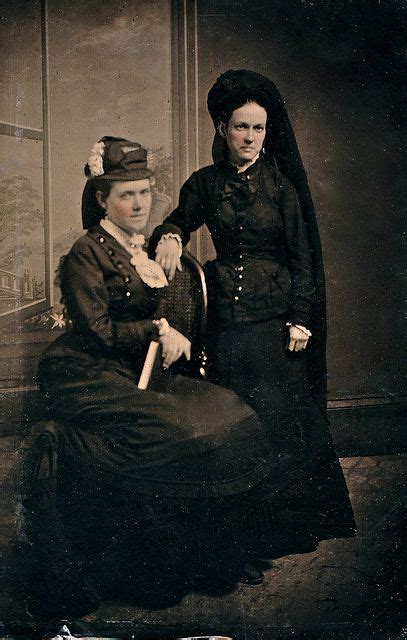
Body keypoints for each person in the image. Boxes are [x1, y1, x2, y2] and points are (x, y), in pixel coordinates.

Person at [12, 136, 294, 631]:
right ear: (103, 200)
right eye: (126, 194)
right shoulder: (85, 253)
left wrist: (160, 333)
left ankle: (210, 561)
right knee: (184, 434)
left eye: (144, 192)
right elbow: (97, 332)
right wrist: (158, 330)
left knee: (236, 415)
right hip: (86, 373)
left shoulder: (135, 248)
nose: (139, 203)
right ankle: (147, 569)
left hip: (135, 367)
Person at [150, 70, 356, 575]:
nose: (249, 138)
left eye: (258, 128)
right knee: (231, 421)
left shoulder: (282, 189)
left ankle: (285, 527)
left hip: (274, 321)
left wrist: (301, 320)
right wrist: (173, 234)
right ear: (222, 127)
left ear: (268, 132)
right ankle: (237, 535)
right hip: (223, 321)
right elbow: (178, 217)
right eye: (240, 127)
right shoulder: (203, 183)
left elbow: (304, 261)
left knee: (279, 423)